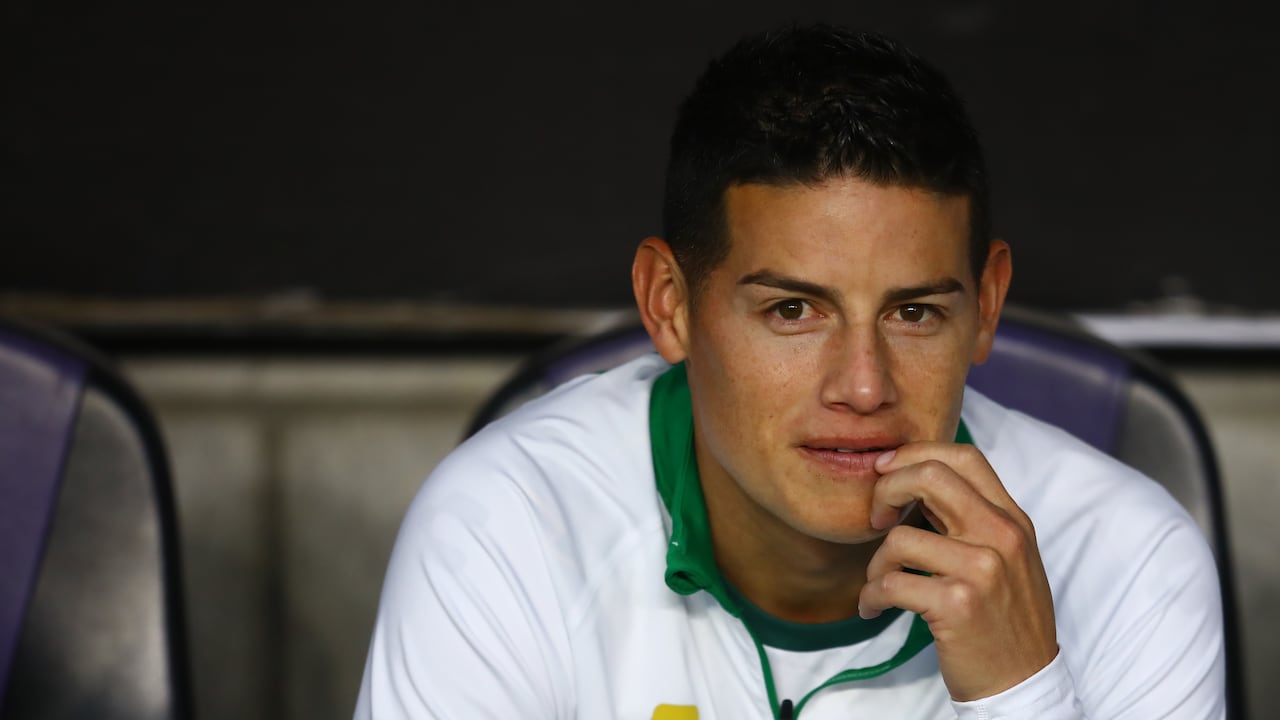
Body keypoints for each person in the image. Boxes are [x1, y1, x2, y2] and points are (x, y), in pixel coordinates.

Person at [355, 24, 1225, 719]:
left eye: (914, 313)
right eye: (792, 312)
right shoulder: (508, 524)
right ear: (670, 304)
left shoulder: (1126, 558)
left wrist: (1020, 694)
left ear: (987, 305)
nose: (862, 387)